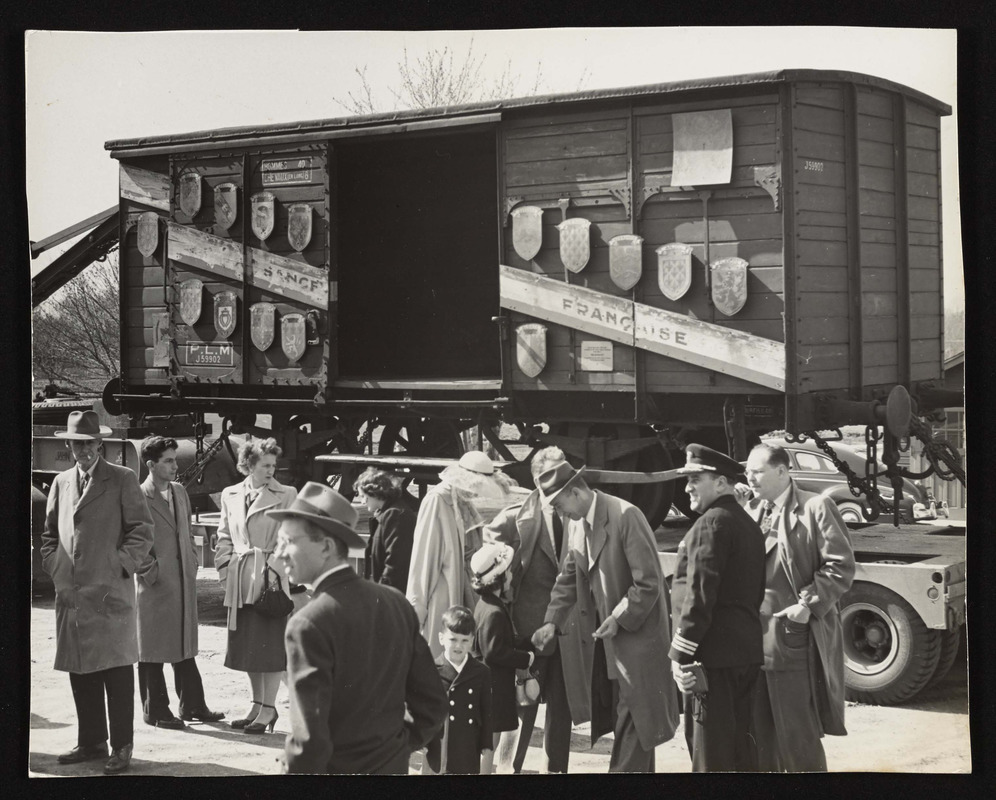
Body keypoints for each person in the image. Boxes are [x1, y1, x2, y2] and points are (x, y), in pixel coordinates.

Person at [271, 482, 448, 774]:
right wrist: (396, 746)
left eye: (288, 541)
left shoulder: (307, 622)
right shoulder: (396, 603)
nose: (279, 554)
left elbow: (310, 740)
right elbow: (434, 705)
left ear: (326, 546)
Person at [531, 457, 679, 773]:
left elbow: (649, 584)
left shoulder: (627, 516)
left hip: (637, 646)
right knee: (638, 731)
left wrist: (617, 617)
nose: (558, 513)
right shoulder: (577, 524)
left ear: (574, 492)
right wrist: (551, 620)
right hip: (615, 649)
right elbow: (569, 577)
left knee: (635, 725)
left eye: (557, 505)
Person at [40, 409, 155, 774]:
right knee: (82, 672)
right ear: (69, 445)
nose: (83, 450)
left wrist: (119, 565)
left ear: (100, 444)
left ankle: (121, 747)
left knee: (116, 674)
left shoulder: (122, 479)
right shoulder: (61, 482)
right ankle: (91, 741)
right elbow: (47, 537)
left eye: (89, 443)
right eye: (76, 444)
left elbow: (142, 531)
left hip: (110, 594)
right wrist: (56, 567)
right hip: (73, 596)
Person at [743, 443, 855, 772]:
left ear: (782, 471)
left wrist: (806, 606)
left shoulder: (815, 507)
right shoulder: (752, 511)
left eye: (758, 471)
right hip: (753, 640)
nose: (750, 478)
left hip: (792, 639)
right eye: (747, 471)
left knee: (797, 734)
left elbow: (841, 567)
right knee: (759, 733)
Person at [668, 443, 766, 772]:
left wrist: (680, 655)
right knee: (741, 752)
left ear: (721, 483)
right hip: (743, 654)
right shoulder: (746, 523)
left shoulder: (711, 525)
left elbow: (699, 597)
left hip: (710, 661)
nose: (687, 487)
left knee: (710, 757)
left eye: (696, 478)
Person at [483, 445, 580, 774]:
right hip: (529, 633)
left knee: (562, 712)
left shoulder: (577, 511)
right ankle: (510, 770)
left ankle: (555, 773)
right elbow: (488, 551)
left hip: (568, 631)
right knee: (521, 709)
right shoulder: (516, 516)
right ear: (538, 480)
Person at [136, 436, 225, 730]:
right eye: (169, 461)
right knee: (152, 648)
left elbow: (185, 530)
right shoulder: (138, 497)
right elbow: (129, 543)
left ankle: (193, 706)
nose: (176, 465)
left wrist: (192, 562)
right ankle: (156, 711)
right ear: (151, 465)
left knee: (184, 643)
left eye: (175, 459)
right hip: (155, 585)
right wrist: (152, 571)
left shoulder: (178, 492)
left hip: (182, 581)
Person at [214, 437, 297, 734]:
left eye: (274, 465)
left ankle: (270, 709)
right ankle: (256, 704)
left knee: (271, 647)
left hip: (270, 582)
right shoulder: (230, 494)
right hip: (240, 578)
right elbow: (223, 536)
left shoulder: (287, 494)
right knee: (250, 647)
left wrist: (273, 568)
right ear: (248, 465)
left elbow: (294, 537)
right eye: (265, 465)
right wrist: (225, 571)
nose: (271, 470)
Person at [406, 451, 515, 659]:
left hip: (464, 588)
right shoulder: (437, 501)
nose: (476, 493)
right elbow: (423, 560)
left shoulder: (462, 501)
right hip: (442, 592)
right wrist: (416, 613)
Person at [469, 543, 535, 773]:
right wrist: (525, 658)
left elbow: (496, 640)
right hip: (494, 688)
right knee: (490, 743)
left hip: (489, 685)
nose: (510, 574)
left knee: (489, 741)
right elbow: (494, 651)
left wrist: (527, 641)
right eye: (507, 571)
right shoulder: (495, 612)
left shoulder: (487, 605)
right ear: (498, 578)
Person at [424, 606, 494, 775]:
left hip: (468, 743)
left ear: (472, 641)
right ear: (441, 638)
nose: (458, 646)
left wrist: (486, 743)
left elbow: (486, 710)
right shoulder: (431, 670)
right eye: (453, 639)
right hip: (439, 744)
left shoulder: (481, 672)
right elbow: (423, 710)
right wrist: (421, 741)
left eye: (464, 640)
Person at [353, 467, 416, 592]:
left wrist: (382, 593)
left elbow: (395, 562)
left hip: (390, 594)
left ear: (374, 492)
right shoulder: (388, 513)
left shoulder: (395, 515)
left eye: (363, 496)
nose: (362, 501)